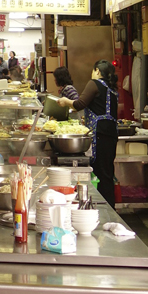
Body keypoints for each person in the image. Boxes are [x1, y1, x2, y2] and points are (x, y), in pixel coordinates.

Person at [58, 60, 119, 206]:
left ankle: (105, 210)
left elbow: (79, 104)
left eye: (93, 71)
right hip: (111, 134)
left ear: (97, 71)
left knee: (99, 172)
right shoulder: (112, 88)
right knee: (107, 173)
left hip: (99, 134)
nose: (92, 74)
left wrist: (66, 101)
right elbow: (101, 108)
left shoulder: (94, 83)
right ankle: (110, 207)